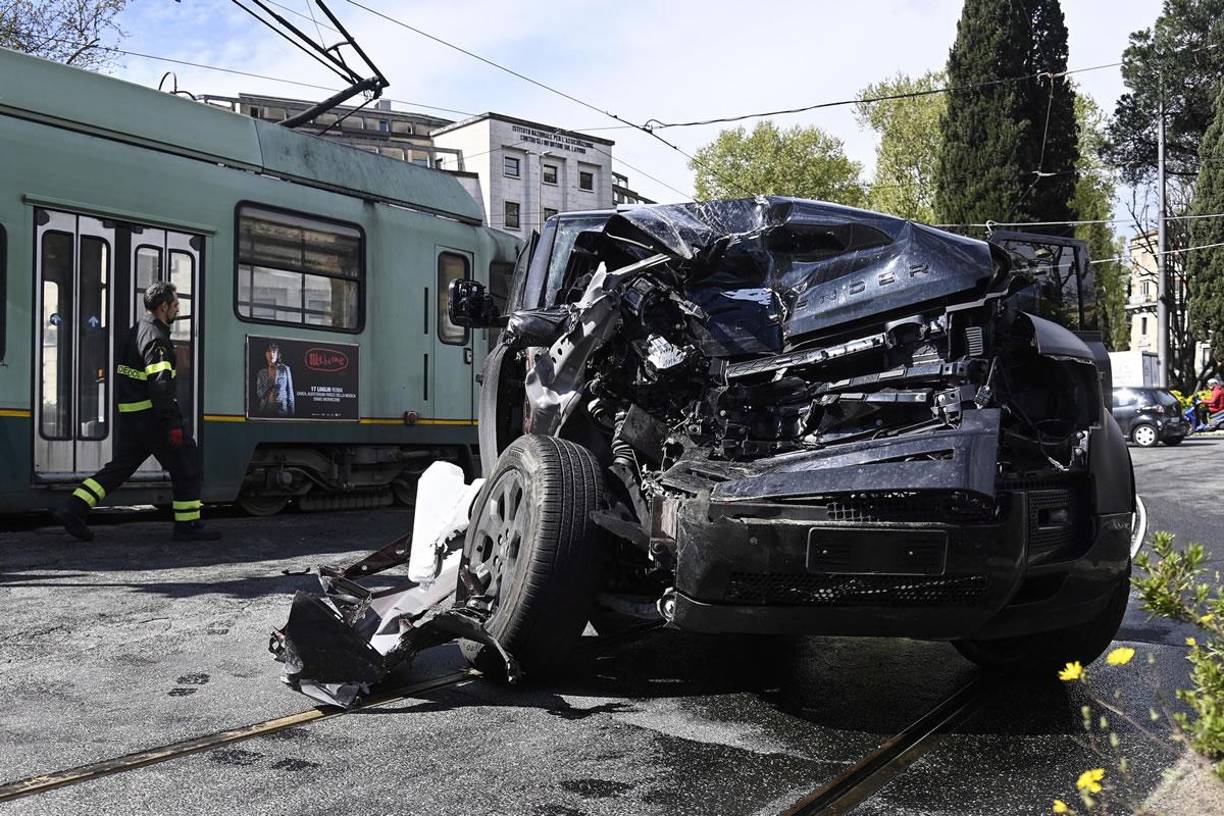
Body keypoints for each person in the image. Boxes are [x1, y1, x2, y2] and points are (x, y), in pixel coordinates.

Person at [55, 281, 220, 542]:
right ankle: (187, 526)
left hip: (133, 418)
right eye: (176, 304)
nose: (178, 309)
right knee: (187, 463)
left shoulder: (136, 331)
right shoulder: (156, 338)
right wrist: (173, 424)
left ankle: (74, 509)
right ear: (164, 307)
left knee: (119, 469)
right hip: (152, 418)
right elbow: (161, 385)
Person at [255, 343, 295, 417]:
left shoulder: (285, 369)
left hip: (282, 410)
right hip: (265, 409)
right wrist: (269, 386)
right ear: (265, 354)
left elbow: (290, 394)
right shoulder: (262, 372)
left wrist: (292, 415)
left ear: (277, 354)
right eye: (269, 351)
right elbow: (259, 394)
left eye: (274, 351)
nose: (271, 354)